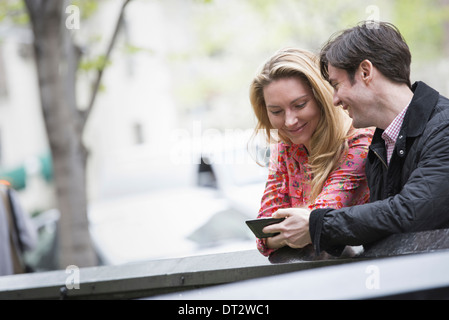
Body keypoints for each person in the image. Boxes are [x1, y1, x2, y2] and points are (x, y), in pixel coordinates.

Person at [263, 21, 449, 257]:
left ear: (365, 72)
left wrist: (317, 224)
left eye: (337, 85)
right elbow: (381, 228)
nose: (335, 100)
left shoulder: (444, 127)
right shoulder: (382, 143)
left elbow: (409, 212)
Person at [249, 48, 373, 256]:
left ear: (322, 98)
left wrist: (302, 229)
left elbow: (315, 223)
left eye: (299, 105)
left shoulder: (359, 142)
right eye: (276, 111)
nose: (289, 121)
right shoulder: (284, 150)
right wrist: (293, 230)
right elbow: (264, 234)